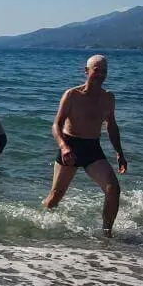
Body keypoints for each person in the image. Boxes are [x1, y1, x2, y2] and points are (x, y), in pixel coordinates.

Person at [43, 54, 128, 236]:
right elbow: (56, 125)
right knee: (55, 198)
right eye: (97, 70)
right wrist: (64, 146)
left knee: (113, 188)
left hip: (92, 148)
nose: (101, 74)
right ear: (86, 71)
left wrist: (119, 152)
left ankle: (107, 234)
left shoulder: (108, 98)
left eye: (104, 71)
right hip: (70, 146)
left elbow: (111, 125)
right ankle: (40, 225)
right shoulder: (72, 95)